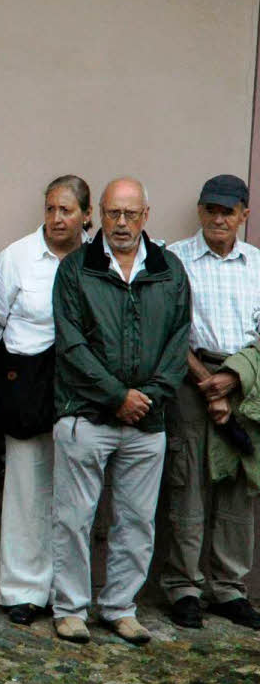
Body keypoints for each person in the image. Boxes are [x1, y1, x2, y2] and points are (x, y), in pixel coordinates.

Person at [51, 178, 190, 645]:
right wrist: (116, 396)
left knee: (136, 521)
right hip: (87, 414)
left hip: (147, 419)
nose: (123, 223)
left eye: (131, 214)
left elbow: (178, 342)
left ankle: (119, 608)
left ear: (147, 216)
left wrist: (147, 396)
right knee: (74, 517)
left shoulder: (169, 270)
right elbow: (70, 343)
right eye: (114, 213)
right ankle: (70, 609)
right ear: (100, 216)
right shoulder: (76, 269)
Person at [0, 176, 92, 625]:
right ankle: (23, 592)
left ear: (86, 216)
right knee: (27, 487)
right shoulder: (17, 258)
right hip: (28, 383)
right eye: (50, 209)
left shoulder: (97, 261)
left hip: (81, 387)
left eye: (66, 210)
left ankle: (67, 595)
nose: (56, 218)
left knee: (74, 494)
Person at [160, 174, 260, 630]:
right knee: (188, 483)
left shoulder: (257, 265)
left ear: (244, 215)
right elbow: (167, 329)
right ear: (200, 210)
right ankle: (183, 587)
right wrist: (207, 382)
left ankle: (229, 589)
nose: (219, 218)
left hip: (246, 382)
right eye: (211, 209)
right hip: (189, 378)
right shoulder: (174, 260)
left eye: (228, 211)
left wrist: (233, 381)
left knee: (238, 487)